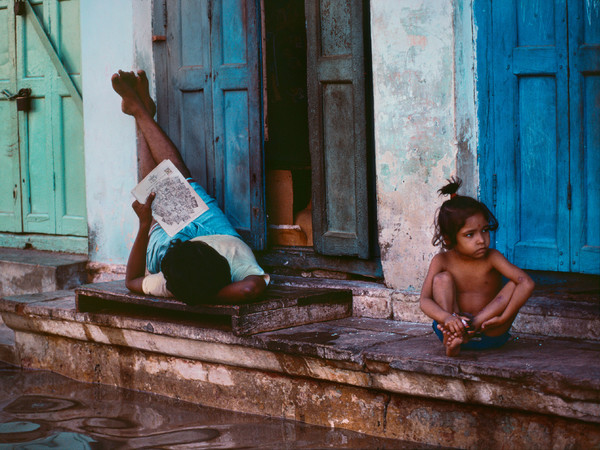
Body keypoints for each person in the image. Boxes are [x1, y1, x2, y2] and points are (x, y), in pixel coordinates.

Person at [111, 69, 269, 305]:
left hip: (175, 252)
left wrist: (145, 224)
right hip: (222, 240)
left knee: (161, 193)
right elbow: (249, 289)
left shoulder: (171, 281)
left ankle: (140, 111)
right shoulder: (237, 263)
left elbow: (132, 280)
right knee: (179, 180)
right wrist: (201, 295)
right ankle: (140, 111)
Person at [419, 177, 535, 356]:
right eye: (469, 235)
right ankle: (453, 342)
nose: (481, 240)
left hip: (491, 329)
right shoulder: (441, 261)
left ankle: (464, 333)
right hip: (453, 328)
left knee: (515, 283)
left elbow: (527, 283)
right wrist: (447, 318)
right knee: (442, 279)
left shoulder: (492, 257)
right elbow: (424, 301)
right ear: (449, 238)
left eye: (485, 230)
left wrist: (503, 318)